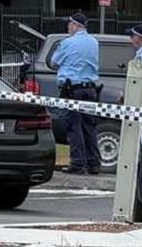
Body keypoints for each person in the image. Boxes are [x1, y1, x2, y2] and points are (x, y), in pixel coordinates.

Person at [51, 13, 100, 175]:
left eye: (69, 24)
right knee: (89, 127)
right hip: (91, 89)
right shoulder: (94, 42)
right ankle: (94, 163)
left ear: (75, 25)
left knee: (74, 127)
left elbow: (54, 62)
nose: (68, 27)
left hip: (73, 90)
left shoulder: (67, 43)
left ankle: (78, 163)